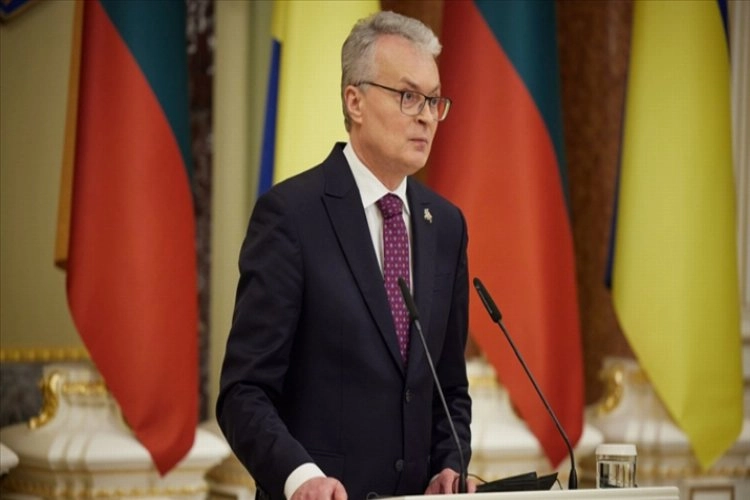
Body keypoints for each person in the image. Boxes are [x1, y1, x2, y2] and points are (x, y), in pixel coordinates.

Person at [217, 11, 474, 500]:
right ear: (354, 101)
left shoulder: (445, 225)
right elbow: (244, 392)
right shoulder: (292, 216)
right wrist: (300, 477)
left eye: (434, 100)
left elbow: (449, 387)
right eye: (408, 96)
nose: (425, 116)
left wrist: (449, 463)